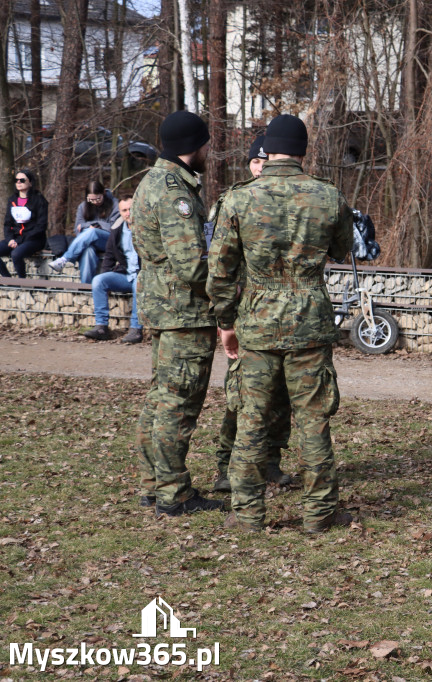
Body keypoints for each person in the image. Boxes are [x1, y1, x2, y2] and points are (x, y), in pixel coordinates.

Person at [208, 114, 354, 533]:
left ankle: (249, 514)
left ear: (267, 150)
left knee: (251, 418)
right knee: (313, 419)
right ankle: (319, 513)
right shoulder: (328, 197)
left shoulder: (238, 199)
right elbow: (343, 249)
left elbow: (219, 272)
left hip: (256, 321)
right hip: (309, 320)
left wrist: (225, 321)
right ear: (304, 151)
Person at [133, 110, 224, 517]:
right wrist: (228, 289)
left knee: (161, 398)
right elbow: (191, 265)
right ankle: (174, 493)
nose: (209, 150)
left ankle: (154, 484)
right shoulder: (174, 190)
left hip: (163, 307)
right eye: (205, 143)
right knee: (178, 403)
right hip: (183, 313)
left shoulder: (152, 181)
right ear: (194, 145)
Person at [209, 135, 293, 494]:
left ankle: (270, 460)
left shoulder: (291, 198)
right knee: (241, 395)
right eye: (255, 162)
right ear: (249, 165)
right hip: (246, 315)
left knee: (283, 394)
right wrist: (224, 320)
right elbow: (218, 263)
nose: (261, 168)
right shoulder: (233, 202)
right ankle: (227, 466)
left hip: (285, 315)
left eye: (266, 161)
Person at [83, 196, 144, 343]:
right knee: (99, 280)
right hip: (125, 274)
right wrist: (106, 275)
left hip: (143, 275)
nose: (128, 213)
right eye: (124, 210)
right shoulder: (117, 230)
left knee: (138, 283)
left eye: (131, 209)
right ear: (120, 212)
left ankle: (136, 329)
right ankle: (101, 327)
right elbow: (109, 256)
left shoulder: (146, 228)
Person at [49, 181, 120, 283]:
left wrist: (93, 226)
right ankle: (86, 289)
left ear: (104, 193)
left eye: (98, 199)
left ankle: (64, 259)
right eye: (91, 199)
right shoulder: (83, 206)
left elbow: (113, 228)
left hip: (109, 240)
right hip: (89, 241)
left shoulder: (115, 205)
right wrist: (90, 226)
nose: (95, 202)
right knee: (88, 251)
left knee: (93, 232)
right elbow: (77, 229)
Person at [2, 169, 48, 278]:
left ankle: (23, 283)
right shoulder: (12, 200)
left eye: (22, 180)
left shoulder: (39, 200)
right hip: (16, 238)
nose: (18, 182)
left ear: (30, 182)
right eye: (16, 180)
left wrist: (21, 240)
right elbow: (7, 223)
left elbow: (41, 226)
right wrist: (10, 239)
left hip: (34, 239)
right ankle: (9, 281)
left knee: (16, 254)